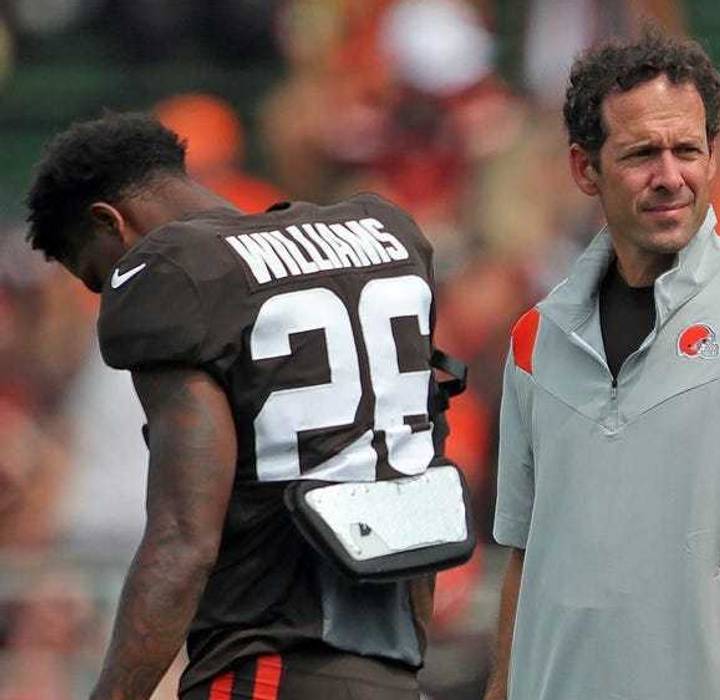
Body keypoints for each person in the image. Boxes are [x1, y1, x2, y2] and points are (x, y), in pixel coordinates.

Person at [24, 113, 449, 699]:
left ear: (109, 222)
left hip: (265, 664)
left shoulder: (173, 276)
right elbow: (420, 479)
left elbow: (183, 537)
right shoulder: (384, 234)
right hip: (392, 667)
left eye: (100, 275)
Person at [485, 32, 720, 700]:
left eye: (687, 150)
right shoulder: (534, 340)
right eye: (639, 154)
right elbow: (523, 556)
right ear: (584, 169)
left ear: (714, 158)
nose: (669, 176)